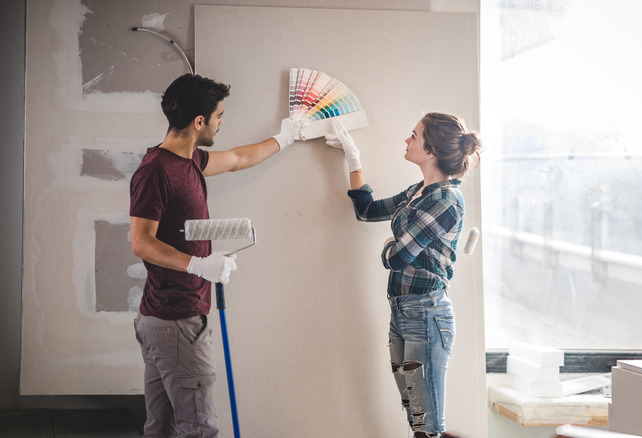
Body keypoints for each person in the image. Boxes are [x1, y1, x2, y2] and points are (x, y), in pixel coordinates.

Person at [129, 73, 302, 437]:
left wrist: (286, 136)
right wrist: (198, 264)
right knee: (200, 427)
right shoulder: (156, 172)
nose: (222, 122)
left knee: (161, 428)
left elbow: (239, 158)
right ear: (199, 122)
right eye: (219, 115)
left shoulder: (189, 159)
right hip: (177, 321)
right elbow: (141, 242)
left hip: (164, 319)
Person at [325, 113, 481, 438]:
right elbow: (366, 210)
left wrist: (388, 246)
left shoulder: (447, 200)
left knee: (428, 427)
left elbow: (398, 258)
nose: (406, 140)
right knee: (416, 420)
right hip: (401, 311)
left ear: (431, 150)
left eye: (413, 135)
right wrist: (352, 156)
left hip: (426, 314)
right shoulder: (419, 191)